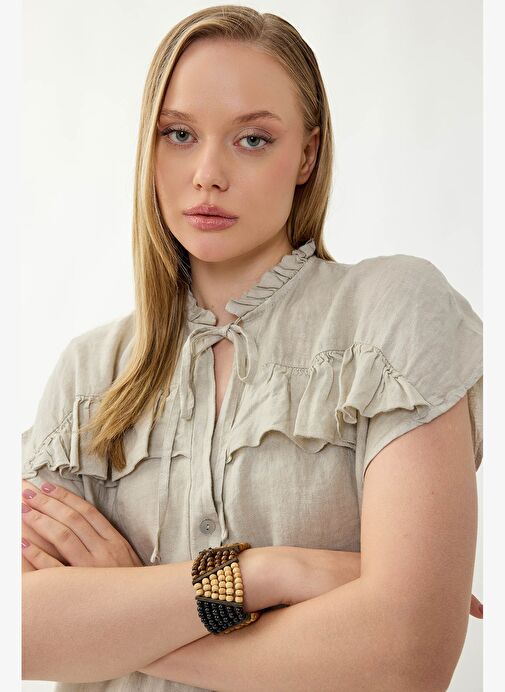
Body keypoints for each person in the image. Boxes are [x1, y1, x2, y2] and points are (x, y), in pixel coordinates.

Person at [21, 5, 483, 691]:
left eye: (253, 140)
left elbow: (406, 657)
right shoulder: (88, 374)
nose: (207, 173)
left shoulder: (392, 313)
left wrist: (119, 621)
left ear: (308, 154)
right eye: (179, 134)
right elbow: (23, 634)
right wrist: (266, 572)